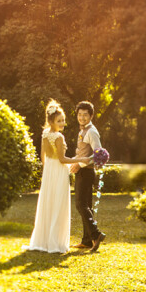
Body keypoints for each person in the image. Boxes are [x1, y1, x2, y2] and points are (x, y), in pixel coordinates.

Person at [27, 100, 88, 253]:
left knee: (48, 204)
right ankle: (55, 243)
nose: (62, 123)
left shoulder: (45, 134)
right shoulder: (59, 137)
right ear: (51, 121)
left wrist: (48, 170)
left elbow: (43, 156)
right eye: (59, 121)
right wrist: (81, 159)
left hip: (49, 171)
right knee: (58, 205)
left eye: (63, 120)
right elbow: (62, 159)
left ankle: (45, 240)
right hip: (59, 172)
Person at [69, 100, 106, 251]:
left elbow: (99, 154)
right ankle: (87, 240)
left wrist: (80, 164)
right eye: (80, 114)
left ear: (91, 115)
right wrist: (73, 161)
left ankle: (96, 234)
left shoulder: (91, 131)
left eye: (85, 115)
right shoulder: (83, 130)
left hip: (86, 172)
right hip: (82, 171)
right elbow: (83, 153)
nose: (82, 117)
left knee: (80, 204)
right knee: (86, 205)